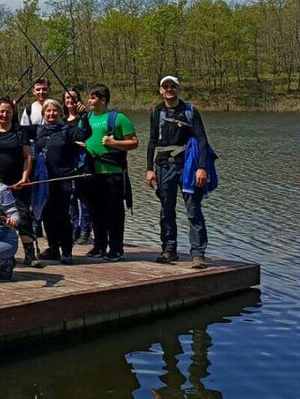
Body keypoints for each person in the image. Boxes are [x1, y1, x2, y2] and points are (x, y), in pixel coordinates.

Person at [146, 76, 211, 269]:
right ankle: (169, 250)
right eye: (165, 87)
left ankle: (198, 254)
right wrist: (149, 169)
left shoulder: (190, 111)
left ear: (178, 89)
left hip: (188, 167)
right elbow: (151, 142)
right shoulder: (156, 112)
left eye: (172, 86)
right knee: (166, 211)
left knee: (193, 211)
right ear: (160, 90)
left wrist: (202, 168)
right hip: (164, 166)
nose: (169, 89)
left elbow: (202, 141)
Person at [0, 98, 43, 268]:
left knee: (23, 216)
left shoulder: (20, 132)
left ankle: (30, 254)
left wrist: (24, 176)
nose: (5, 114)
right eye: (2, 111)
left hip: (17, 183)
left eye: (8, 111)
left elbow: (28, 156)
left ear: (13, 113)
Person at [78, 83, 139, 261]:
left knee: (114, 212)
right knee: (96, 211)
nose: (89, 100)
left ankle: (116, 249)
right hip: (91, 173)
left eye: (93, 97)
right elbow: (78, 136)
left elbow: (134, 143)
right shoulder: (86, 118)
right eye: (89, 97)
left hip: (113, 173)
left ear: (103, 100)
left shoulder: (118, 118)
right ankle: (99, 246)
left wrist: (114, 143)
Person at [32, 99, 85, 264]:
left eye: (55, 111)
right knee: (47, 214)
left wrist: (84, 115)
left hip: (63, 178)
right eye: (48, 111)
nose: (51, 114)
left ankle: (67, 251)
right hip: (44, 180)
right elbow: (15, 129)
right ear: (43, 114)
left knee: (62, 215)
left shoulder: (68, 130)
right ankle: (53, 249)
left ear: (60, 113)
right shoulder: (38, 131)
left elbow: (85, 134)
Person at [63, 87, 92, 244]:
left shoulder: (84, 118)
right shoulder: (61, 120)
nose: (70, 101)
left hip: (83, 162)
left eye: (73, 98)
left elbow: (89, 137)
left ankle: (86, 228)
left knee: (84, 197)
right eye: (67, 98)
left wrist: (84, 115)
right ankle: (74, 227)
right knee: (70, 197)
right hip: (67, 162)